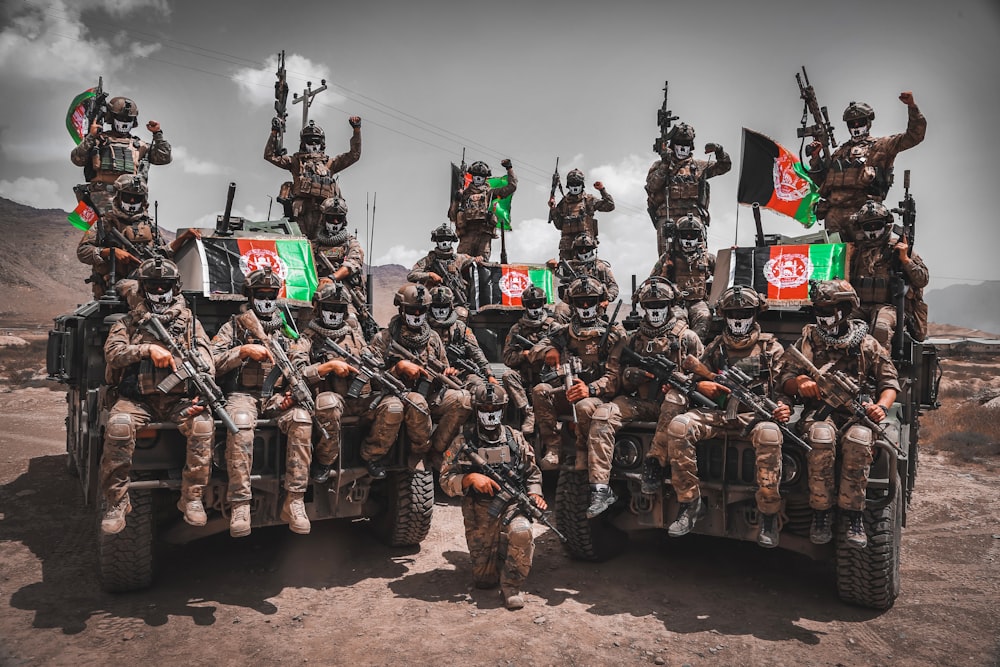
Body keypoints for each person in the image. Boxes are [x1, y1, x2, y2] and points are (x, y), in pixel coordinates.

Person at [661, 286, 791, 547]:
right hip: (718, 413)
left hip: (754, 415)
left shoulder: (770, 348)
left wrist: (783, 406)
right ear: (724, 315)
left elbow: (784, 387)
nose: (738, 318)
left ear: (755, 314)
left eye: (745, 312)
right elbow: (692, 379)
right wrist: (701, 384)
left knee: (770, 434)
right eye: (733, 313)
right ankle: (689, 503)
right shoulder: (716, 346)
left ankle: (768, 514)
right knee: (679, 426)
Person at [777, 280, 900, 548]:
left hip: (856, 414)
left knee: (858, 441)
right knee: (820, 437)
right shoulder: (808, 341)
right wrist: (800, 383)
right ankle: (821, 513)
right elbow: (784, 378)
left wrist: (880, 407)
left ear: (845, 309)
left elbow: (889, 384)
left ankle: (853, 516)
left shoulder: (866, 344)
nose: (823, 314)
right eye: (818, 308)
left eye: (829, 308)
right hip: (821, 415)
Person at [98, 258, 214, 535]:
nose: (160, 291)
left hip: (178, 401)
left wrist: (199, 378)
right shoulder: (128, 322)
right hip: (138, 400)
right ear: (144, 287)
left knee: (203, 426)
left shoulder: (189, 323)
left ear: (175, 288)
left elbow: (209, 360)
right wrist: (146, 351)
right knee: (118, 426)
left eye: (166, 286)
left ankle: (192, 497)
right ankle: (116, 502)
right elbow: (113, 354)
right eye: (153, 285)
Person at [210, 267, 316, 536]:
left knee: (302, 420)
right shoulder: (234, 325)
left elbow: (300, 360)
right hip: (242, 395)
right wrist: (242, 351)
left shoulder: (286, 331)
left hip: (276, 397)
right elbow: (211, 361)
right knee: (241, 423)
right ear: (250, 295)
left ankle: (294, 501)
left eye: (271, 294)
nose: (267, 300)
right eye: (261, 294)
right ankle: (241, 504)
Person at [439, 384, 546, 610]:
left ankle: (512, 586)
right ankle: (501, 554)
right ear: (476, 410)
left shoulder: (514, 438)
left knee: (521, 531)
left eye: (494, 408)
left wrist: (534, 494)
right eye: (485, 408)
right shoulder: (462, 441)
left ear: (503, 409)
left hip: (512, 504)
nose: (490, 413)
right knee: (484, 581)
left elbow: (532, 473)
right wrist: (468, 480)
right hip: (480, 514)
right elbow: (445, 480)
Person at [296, 281, 407, 482]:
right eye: (329, 308)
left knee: (394, 406)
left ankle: (372, 455)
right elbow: (296, 372)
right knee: (328, 402)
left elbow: (372, 358)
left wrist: (378, 369)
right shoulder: (308, 338)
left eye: (339, 309)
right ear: (319, 308)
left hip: (360, 401)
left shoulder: (354, 336)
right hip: (328, 404)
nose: (334, 313)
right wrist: (327, 367)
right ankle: (324, 460)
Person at [529, 277, 626, 504]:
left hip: (600, 398)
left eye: (589, 301)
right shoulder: (564, 332)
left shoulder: (613, 334)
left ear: (600, 302)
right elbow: (535, 350)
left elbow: (615, 379)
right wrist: (548, 351)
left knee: (584, 406)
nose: (584, 307)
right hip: (569, 391)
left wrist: (590, 388)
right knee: (541, 390)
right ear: (572, 304)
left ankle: (583, 453)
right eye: (580, 302)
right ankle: (553, 448)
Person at [368, 284, 472, 470]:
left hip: (429, 392)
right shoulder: (384, 338)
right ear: (401, 309)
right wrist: (398, 369)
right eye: (411, 310)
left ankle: (436, 450)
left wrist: (447, 373)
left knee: (463, 399)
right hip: (396, 395)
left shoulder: (432, 338)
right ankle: (419, 451)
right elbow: (372, 378)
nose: (417, 314)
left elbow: (444, 365)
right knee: (417, 401)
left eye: (422, 310)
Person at [807, 92, 926, 236]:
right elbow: (821, 182)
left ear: (868, 122)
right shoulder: (839, 152)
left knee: (865, 257)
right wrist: (815, 158)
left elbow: (914, 136)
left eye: (860, 122)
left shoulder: (881, 146)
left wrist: (912, 106)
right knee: (833, 256)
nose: (856, 126)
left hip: (866, 218)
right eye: (852, 123)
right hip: (834, 218)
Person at [77, 174, 198, 299]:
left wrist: (183, 238)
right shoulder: (104, 223)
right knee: (137, 289)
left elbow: (162, 253)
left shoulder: (149, 224)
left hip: (149, 282)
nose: (132, 202)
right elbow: (82, 251)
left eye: (136, 198)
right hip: (117, 284)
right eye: (128, 197)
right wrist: (111, 252)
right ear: (118, 197)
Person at [70, 96, 172, 217]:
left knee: (142, 233)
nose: (124, 122)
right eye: (120, 118)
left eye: (128, 119)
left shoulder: (140, 146)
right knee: (100, 233)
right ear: (111, 118)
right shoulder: (98, 141)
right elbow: (77, 159)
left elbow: (164, 157)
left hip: (132, 202)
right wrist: (91, 137)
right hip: (101, 199)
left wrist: (157, 134)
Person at [848, 200, 930, 346]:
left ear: (886, 225)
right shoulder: (855, 252)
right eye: (868, 226)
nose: (873, 230)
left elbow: (922, 279)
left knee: (880, 328)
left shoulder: (898, 249)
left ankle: (879, 365)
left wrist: (905, 260)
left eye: (876, 225)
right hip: (859, 307)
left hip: (889, 308)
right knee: (839, 325)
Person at [265, 116, 362, 240]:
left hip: (323, 215)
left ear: (322, 143)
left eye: (317, 141)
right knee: (299, 244)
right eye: (310, 141)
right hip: (300, 213)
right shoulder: (295, 162)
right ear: (303, 143)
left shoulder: (330, 164)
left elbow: (354, 155)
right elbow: (269, 155)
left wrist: (357, 130)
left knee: (321, 245)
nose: (314, 145)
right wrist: (274, 132)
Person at [645, 123, 730, 255]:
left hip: (693, 219)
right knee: (667, 260)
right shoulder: (660, 165)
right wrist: (665, 165)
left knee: (698, 257)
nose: (682, 147)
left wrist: (719, 151)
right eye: (679, 143)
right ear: (672, 145)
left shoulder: (698, 166)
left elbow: (724, 166)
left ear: (691, 146)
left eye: (686, 144)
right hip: (668, 218)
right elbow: (652, 186)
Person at [501, 285, 559, 436]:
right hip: (527, 376)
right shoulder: (517, 329)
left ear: (543, 303)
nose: (534, 308)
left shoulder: (554, 326)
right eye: (530, 304)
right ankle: (528, 412)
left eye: (537, 304)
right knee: (508, 375)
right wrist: (525, 354)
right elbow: (507, 358)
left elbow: (565, 352)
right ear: (525, 306)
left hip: (550, 378)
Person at [649, 214, 715, 341]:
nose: (688, 239)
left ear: (699, 236)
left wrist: (732, 255)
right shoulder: (669, 257)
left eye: (692, 235)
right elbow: (653, 280)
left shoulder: (707, 258)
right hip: (677, 303)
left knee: (705, 318)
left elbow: (723, 276)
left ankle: (696, 350)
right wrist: (665, 270)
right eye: (685, 235)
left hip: (698, 301)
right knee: (678, 322)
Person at [427, 286, 496, 387]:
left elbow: (476, 352)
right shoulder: (424, 327)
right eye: (436, 306)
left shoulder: (460, 327)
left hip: (459, 372)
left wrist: (489, 375)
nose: (440, 311)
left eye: (444, 306)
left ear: (450, 306)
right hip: (432, 372)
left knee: (477, 385)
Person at [449, 159, 517, 259]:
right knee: (462, 263)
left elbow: (512, 187)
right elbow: (452, 216)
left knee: (483, 265)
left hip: (484, 234)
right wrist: (456, 200)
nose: (478, 179)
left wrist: (509, 168)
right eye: (476, 176)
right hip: (467, 234)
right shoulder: (464, 195)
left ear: (485, 178)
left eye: (481, 176)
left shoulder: (490, 193)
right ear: (472, 177)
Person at [548, 169, 615, 261]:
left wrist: (602, 190)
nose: (575, 187)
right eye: (572, 184)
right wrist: (553, 209)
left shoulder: (589, 200)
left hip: (585, 248)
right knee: (564, 271)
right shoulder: (564, 203)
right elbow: (559, 225)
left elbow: (610, 206)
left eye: (577, 184)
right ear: (568, 185)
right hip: (568, 249)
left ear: (582, 184)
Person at [407, 223, 478, 308]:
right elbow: (411, 275)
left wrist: (478, 259)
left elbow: (475, 261)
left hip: (455, 302)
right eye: (441, 239)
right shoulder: (429, 259)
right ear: (436, 241)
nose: (444, 242)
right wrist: (430, 275)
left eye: (447, 239)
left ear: (452, 240)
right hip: (433, 303)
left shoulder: (459, 258)